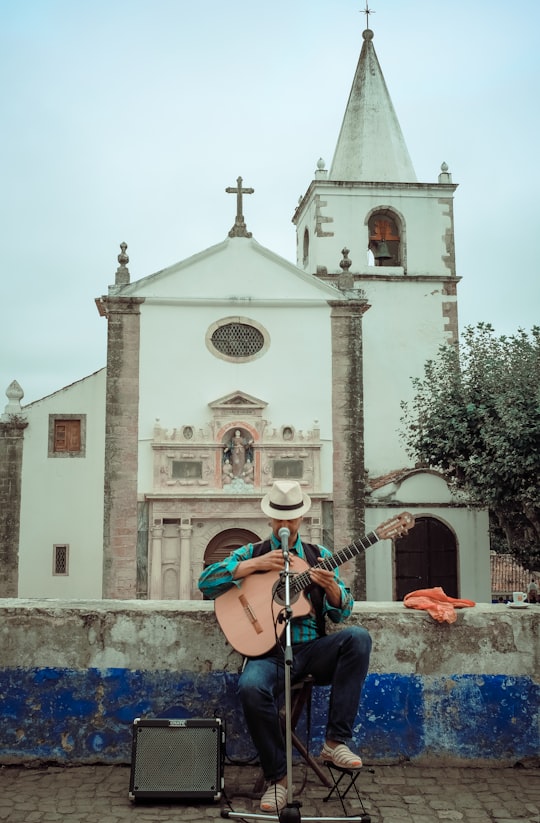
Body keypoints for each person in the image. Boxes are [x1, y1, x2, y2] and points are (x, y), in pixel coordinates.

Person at [198, 480, 372, 814]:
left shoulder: (319, 557)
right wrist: (254, 567)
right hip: (268, 655)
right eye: (278, 519)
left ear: (301, 520)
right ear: (270, 520)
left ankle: (335, 743)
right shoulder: (254, 551)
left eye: (290, 519)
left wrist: (332, 589)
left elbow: (343, 609)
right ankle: (278, 779)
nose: (284, 526)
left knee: (358, 638)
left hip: (312, 649)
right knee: (250, 686)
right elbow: (206, 581)